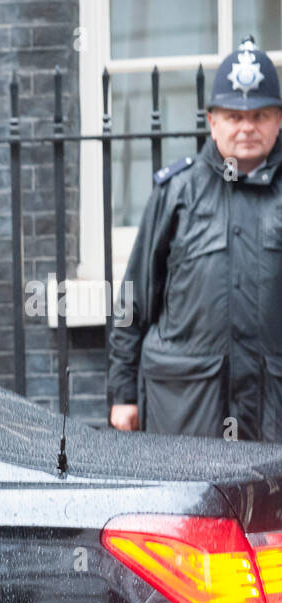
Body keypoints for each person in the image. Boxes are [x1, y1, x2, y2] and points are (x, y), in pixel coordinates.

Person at [109, 37, 282, 439]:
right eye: (234, 116)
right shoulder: (176, 192)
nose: (246, 127)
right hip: (188, 411)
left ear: (278, 120)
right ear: (212, 121)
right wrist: (122, 393)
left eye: (260, 115)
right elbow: (133, 300)